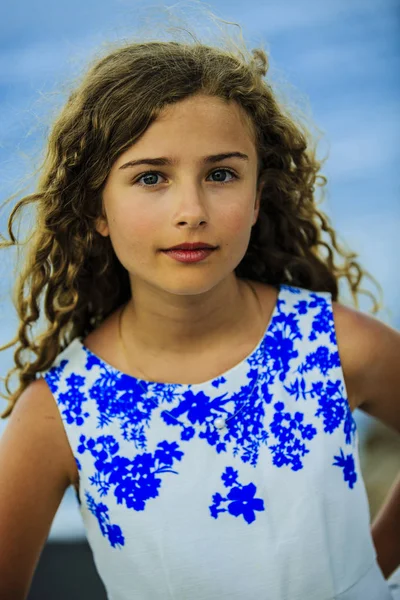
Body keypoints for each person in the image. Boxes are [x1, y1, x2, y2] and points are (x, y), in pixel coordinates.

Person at [0, 13, 399, 600]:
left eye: (219, 173)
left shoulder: (334, 345)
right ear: (96, 210)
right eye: (151, 178)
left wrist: (370, 565)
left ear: (258, 198)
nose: (192, 210)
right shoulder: (56, 414)